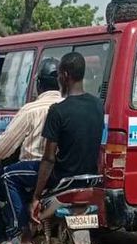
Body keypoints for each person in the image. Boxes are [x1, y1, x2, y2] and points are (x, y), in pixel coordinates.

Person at [0, 58, 62, 244]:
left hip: (36, 169)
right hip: (64, 170)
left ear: (38, 84)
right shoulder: (68, 106)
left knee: (0, 181)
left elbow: (5, 144)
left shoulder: (31, 110)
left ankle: (19, 233)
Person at [31, 51, 104, 222]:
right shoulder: (98, 105)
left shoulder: (57, 110)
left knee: (13, 177)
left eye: (58, 75)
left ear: (65, 75)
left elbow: (48, 158)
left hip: (62, 179)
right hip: (89, 178)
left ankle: (25, 231)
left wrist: (36, 196)